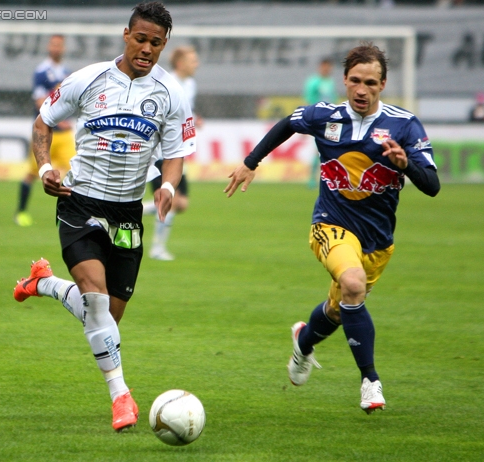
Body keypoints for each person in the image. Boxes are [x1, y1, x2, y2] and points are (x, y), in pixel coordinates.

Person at [225, 42, 440, 414]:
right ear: (344, 80)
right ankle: (370, 381)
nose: (361, 89)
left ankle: (303, 342)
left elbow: (432, 186)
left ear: (383, 84)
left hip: (377, 241)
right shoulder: (325, 115)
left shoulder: (404, 125)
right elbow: (287, 124)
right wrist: (250, 162)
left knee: (341, 308)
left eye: (370, 82)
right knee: (353, 285)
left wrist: (405, 164)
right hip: (330, 225)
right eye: (355, 80)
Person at [12, 2, 195, 431]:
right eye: (140, 38)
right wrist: (44, 169)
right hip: (80, 201)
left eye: (156, 42)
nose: (147, 48)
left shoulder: (171, 95)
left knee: (107, 315)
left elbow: (176, 154)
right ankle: (122, 396)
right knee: (95, 298)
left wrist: (167, 186)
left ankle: (45, 283)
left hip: (128, 211)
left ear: (164, 45)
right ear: (126, 34)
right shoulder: (87, 79)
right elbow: (43, 122)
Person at [143, 45, 201, 260]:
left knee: (181, 203)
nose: (196, 64)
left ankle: (135, 210)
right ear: (179, 63)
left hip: (177, 153)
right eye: (192, 60)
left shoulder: (191, 85)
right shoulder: (168, 84)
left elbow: (185, 112)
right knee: (170, 201)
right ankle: (157, 249)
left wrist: (195, 118)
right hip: (161, 153)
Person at [14, 35, 75, 227]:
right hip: (45, 133)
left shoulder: (67, 72)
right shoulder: (41, 72)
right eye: (53, 44)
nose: (56, 48)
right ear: (49, 47)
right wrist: (60, 119)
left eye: (59, 45)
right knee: (33, 174)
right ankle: (21, 212)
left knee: (78, 171)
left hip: (64, 136)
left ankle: (74, 216)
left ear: (63, 48)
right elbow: (40, 102)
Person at [304, 58, 338, 189]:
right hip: (317, 119)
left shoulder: (330, 82)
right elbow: (308, 99)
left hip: (330, 120)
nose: (327, 69)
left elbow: (333, 99)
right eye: (325, 67)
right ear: (320, 67)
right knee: (317, 149)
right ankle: (312, 179)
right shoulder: (313, 82)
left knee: (329, 148)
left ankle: (329, 178)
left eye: (328, 67)